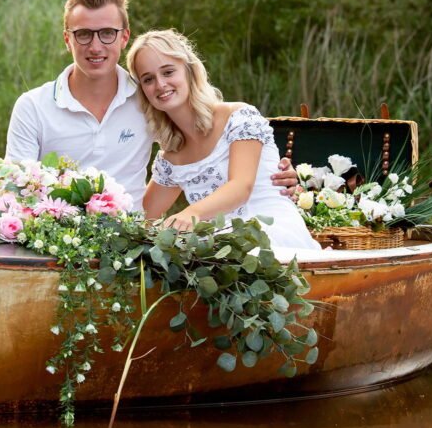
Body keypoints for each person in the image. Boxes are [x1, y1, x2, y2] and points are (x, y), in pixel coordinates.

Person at [5, 0, 297, 202]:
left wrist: (273, 173)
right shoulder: (33, 107)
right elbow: (16, 191)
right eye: (83, 34)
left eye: (107, 33)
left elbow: (206, 138)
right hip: (55, 240)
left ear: (124, 37)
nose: (95, 47)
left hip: (128, 245)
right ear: (67, 39)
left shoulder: (149, 97)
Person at [127, 29, 320, 260]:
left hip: (271, 233)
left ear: (189, 71)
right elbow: (142, 218)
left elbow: (241, 187)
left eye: (168, 72)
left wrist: (191, 214)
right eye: (148, 79)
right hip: (220, 250)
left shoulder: (238, 117)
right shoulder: (171, 157)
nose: (160, 84)